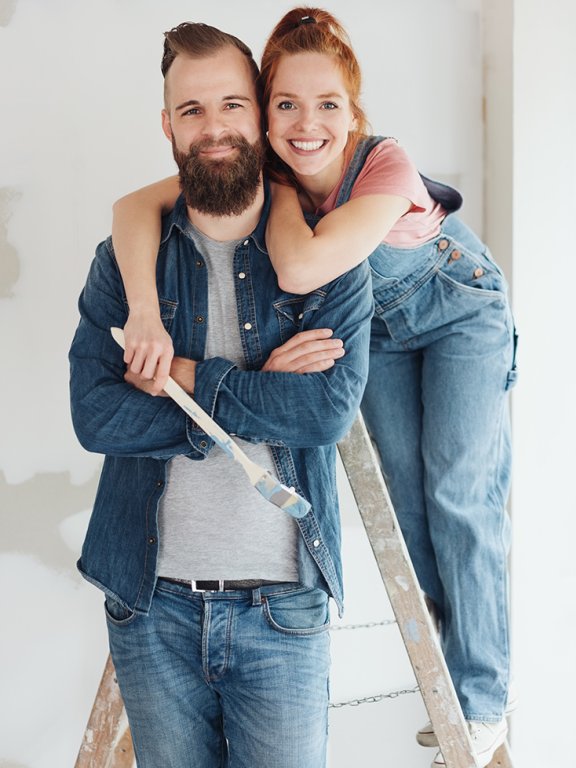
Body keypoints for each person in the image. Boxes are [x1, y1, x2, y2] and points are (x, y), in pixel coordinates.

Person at [109, 8, 519, 768]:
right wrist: (141, 308)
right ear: (264, 114)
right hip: (385, 335)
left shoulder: (383, 166)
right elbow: (134, 207)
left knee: (461, 494)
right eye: (286, 105)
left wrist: (283, 203)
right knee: (410, 508)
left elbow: (299, 269)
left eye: (328, 104)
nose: (307, 124)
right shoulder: (265, 169)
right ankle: (459, 678)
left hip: (461, 312)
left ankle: (483, 696)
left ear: (354, 111)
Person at [69, 20, 374, 768]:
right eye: (194, 110)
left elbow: (325, 412)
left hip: (285, 609)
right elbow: (96, 413)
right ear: (168, 124)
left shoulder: (329, 257)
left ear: (262, 113)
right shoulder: (124, 264)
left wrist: (187, 381)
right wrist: (255, 394)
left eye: (234, 105)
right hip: (153, 607)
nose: (216, 129)